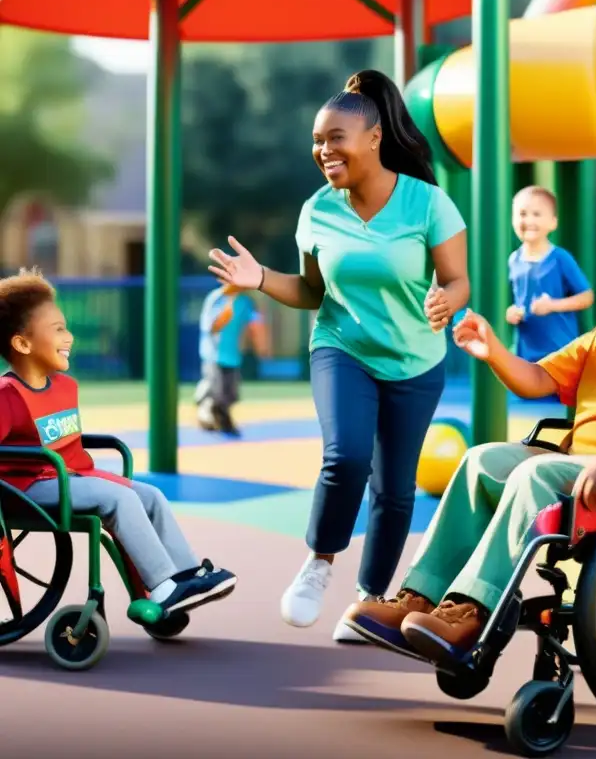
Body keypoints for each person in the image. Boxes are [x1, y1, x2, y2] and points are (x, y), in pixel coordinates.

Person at [338, 201, 596, 663]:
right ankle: (420, 598)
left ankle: (472, 611)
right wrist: (494, 352)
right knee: (480, 461)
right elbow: (538, 380)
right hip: (580, 469)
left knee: (535, 474)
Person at [207, 70, 469, 642]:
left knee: (396, 489)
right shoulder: (317, 211)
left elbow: (457, 280)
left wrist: (445, 301)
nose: (324, 150)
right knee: (346, 456)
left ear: (374, 137)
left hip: (415, 361)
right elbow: (310, 293)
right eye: (318, 140)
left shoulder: (429, 204)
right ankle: (319, 564)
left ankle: (371, 599)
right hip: (341, 346)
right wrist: (258, 279)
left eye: (336, 138)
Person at [0, 269, 237, 615]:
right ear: (22, 343)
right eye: (58, 330)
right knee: (119, 498)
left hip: (71, 478)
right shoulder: (8, 395)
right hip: (28, 488)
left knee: (151, 496)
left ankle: (185, 577)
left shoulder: (66, 386)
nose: (69, 337)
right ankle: (162, 587)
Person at [506, 185, 594, 363]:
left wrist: (553, 305)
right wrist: (510, 313)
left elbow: (587, 297)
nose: (529, 220)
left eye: (536, 214)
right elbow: (514, 302)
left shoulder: (560, 258)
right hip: (526, 356)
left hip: (560, 354)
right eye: (522, 214)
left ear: (553, 222)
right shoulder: (513, 260)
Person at [195, 284, 269, 436]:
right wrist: (224, 316)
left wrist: (261, 345)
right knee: (217, 390)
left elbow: (255, 323)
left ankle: (214, 410)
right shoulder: (216, 298)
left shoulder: (245, 302)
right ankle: (210, 412)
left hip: (232, 355)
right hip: (214, 354)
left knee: (230, 392)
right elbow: (211, 327)